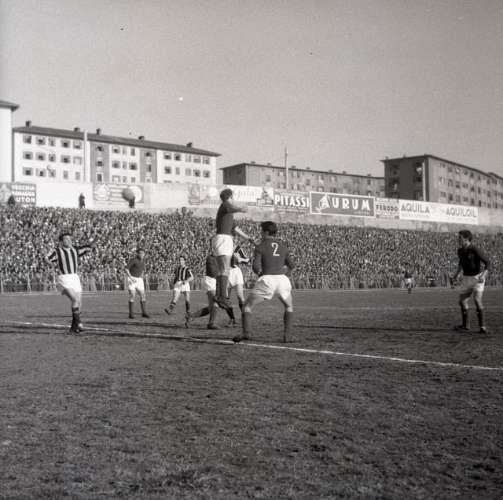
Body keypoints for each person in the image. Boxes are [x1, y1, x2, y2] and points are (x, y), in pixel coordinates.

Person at [233, 221, 294, 343]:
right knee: (289, 306)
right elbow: (291, 265)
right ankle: (288, 336)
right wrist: (285, 275)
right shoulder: (283, 246)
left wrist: (262, 274)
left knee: (247, 306)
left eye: (261, 230)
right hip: (283, 280)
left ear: (266, 232)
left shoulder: (260, 246)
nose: (260, 233)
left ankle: (246, 333)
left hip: (267, 280)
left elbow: (256, 267)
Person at [212, 188, 254, 309]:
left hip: (221, 238)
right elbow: (232, 207)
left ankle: (219, 295)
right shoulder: (226, 205)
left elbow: (235, 228)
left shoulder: (227, 212)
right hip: (224, 238)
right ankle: (222, 297)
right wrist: (242, 208)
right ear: (230, 197)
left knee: (222, 269)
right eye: (232, 197)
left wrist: (248, 238)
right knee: (225, 269)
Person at [46, 232, 93, 334]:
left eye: (70, 239)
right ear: (61, 242)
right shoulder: (57, 251)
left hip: (75, 277)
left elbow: (88, 248)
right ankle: (78, 324)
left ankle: (74, 327)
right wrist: (52, 264)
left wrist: (92, 242)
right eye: (66, 239)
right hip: (64, 277)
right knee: (75, 299)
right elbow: (46, 258)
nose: (69, 240)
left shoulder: (75, 249)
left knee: (79, 302)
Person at [450, 229, 490, 333]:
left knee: (477, 300)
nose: (458, 239)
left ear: (466, 238)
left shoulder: (474, 249)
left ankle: (482, 327)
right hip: (466, 278)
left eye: (460, 238)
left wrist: (484, 275)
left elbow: (487, 262)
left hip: (477, 278)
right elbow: (461, 264)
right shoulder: (460, 251)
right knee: (462, 301)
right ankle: (465, 325)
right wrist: (455, 275)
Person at [185, 252, 236, 330]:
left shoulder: (222, 257)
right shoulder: (210, 258)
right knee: (216, 302)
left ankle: (191, 316)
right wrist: (223, 274)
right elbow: (213, 272)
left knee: (212, 307)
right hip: (211, 281)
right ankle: (211, 323)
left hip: (217, 281)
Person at [226, 241, 250, 326]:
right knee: (226, 299)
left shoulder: (238, 249)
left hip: (236, 273)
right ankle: (232, 319)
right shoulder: (223, 249)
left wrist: (240, 259)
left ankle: (244, 318)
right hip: (226, 273)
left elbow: (247, 261)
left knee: (240, 296)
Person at [125, 248, 149, 319]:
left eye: (143, 253)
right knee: (132, 295)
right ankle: (131, 314)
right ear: (137, 254)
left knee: (143, 295)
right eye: (140, 253)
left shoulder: (143, 261)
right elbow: (126, 269)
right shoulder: (134, 260)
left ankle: (144, 313)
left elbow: (142, 270)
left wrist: (143, 275)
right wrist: (130, 277)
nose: (142, 254)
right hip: (132, 279)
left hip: (139, 280)